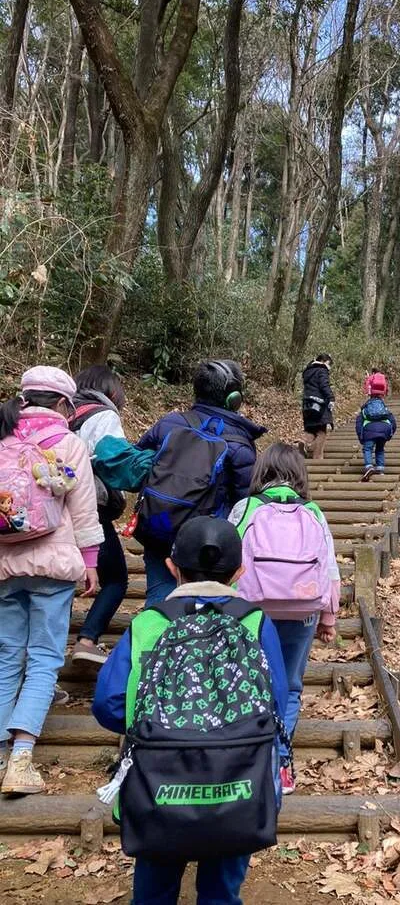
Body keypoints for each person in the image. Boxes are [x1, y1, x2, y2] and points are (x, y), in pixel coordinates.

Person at [93, 516, 288, 905]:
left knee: (153, 891)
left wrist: (159, 727)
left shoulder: (148, 623)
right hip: (240, 779)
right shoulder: (255, 622)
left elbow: (108, 704)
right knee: (221, 892)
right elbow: (277, 706)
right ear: (239, 571)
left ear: (171, 567)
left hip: (157, 779)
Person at [0, 366, 102, 795]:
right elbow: (83, 509)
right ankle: (21, 759)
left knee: (6, 657)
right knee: (44, 658)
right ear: (64, 404)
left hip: (6, 568)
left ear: (24, 399)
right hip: (54, 568)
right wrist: (91, 561)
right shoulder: (68, 443)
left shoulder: (3, 438)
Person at [229, 443, 339, 795]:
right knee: (289, 685)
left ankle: (246, 759)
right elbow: (330, 567)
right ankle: (280, 763)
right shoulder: (314, 512)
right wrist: (329, 617)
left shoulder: (245, 508)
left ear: (261, 472)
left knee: (248, 679)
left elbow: (228, 560)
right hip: (302, 609)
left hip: (251, 611)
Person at [135, 360, 265, 606]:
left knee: (159, 597)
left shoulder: (169, 424)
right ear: (234, 397)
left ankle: (154, 639)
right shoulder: (239, 442)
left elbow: (139, 461)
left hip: (159, 524)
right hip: (209, 539)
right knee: (209, 602)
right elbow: (244, 501)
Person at [69, 365, 129, 666]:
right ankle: (87, 639)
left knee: (61, 582)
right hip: (91, 509)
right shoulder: (103, 416)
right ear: (110, 392)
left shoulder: (59, 411)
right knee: (116, 580)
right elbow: (114, 460)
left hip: (55, 512)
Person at [356, 386, 397, 480]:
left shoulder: (365, 409)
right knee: (380, 449)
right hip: (384, 430)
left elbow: (358, 424)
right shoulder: (384, 409)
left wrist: (360, 437)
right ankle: (380, 469)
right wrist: (390, 434)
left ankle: (369, 466)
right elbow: (393, 422)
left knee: (367, 449)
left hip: (369, 431)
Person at [299, 353, 334, 460]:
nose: (329, 367)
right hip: (319, 404)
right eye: (328, 364)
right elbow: (324, 385)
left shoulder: (308, 371)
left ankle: (304, 442)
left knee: (310, 429)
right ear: (324, 362)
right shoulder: (321, 370)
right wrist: (331, 398)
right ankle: (317, 458)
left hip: (307, 404)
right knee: (321, 431)